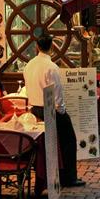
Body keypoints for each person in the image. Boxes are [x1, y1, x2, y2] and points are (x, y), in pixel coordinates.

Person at [24, 34, 85, 187]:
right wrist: (62, 112)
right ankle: (68, 177)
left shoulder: (29, 65)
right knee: (69, 141)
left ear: (37, 47)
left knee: (49, 144)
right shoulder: (52, 68)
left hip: (34, 110)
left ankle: (51, 175)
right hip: (50, 110)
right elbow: (57, 95)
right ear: (51, 47)